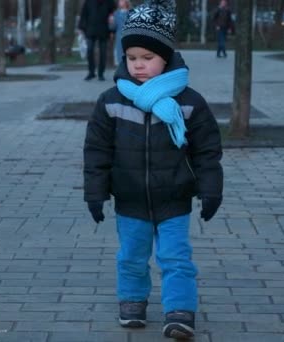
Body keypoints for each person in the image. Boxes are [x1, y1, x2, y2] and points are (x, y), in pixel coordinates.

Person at [83, 0, 223, 339]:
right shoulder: (112, 101)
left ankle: (179, 310)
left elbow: (207, 151)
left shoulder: (189, 102)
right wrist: (96, 193)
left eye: (147, 58)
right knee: (131, 256)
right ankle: (132, 301)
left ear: (166, 57)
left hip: (174, 197)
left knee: (176, 258)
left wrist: (210, 189)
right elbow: (97, 151)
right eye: (132, 58)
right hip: (130, 197)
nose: (138, 66)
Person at [79, 0, 116, 81]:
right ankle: (91, 72)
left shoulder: (109, 2)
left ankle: (101, 73)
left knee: (103, 52)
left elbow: (113, 15)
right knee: (90, 50)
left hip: (104, 30)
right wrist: (82, 28)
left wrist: (112, 30)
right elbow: (84, 14)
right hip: (90, 29)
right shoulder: (89, 2)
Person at [109, 0, 131, 67]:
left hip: (129, 35)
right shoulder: (116, 13)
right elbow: (112, 27)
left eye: (122, 1)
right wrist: (111, 22)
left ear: (126, 2)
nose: (120, 2)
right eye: (119, 1)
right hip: (119, 37)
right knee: (120, 55)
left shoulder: (131, 12)